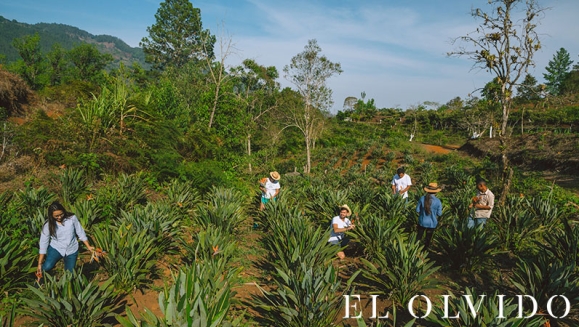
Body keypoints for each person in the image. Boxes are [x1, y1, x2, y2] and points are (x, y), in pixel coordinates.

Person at [37, 201, 94, 278]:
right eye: (56, 216)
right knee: (47, 267)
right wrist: (39, 264)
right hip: (56, 248)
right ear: (51, 215)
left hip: (72, 248)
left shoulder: (72, 218)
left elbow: (80, 232)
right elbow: (43, 243)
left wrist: (88, 246)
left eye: (61, 214)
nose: (59, 217)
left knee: (69, 274)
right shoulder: (48, 225)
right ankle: (39, 279)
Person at [416, 183, 443, 249]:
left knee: (419, 236)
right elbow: (439, 214)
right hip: (432, 223)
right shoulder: (438, 201)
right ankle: (425, 250)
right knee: (428, 238)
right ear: (436, 192)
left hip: (422, 221)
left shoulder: (422, 198)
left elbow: (417, 210)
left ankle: (415, 248)